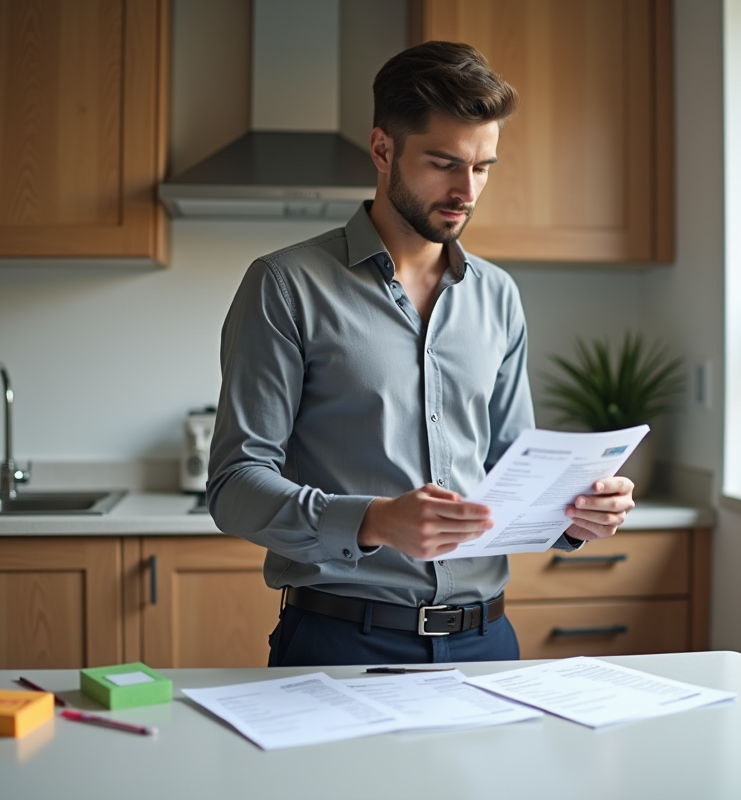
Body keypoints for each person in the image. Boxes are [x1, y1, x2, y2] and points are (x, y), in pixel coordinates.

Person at [208, 41, 636, 668]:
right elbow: (233, 486)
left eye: (483, 166)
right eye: (443, 163)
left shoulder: (498, 295)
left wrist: (575, 515)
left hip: (487, 641)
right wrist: (374, 522)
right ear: (383, 150)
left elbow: (509, 471)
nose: (467, 190)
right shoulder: (285, 285)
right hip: (341, 641)